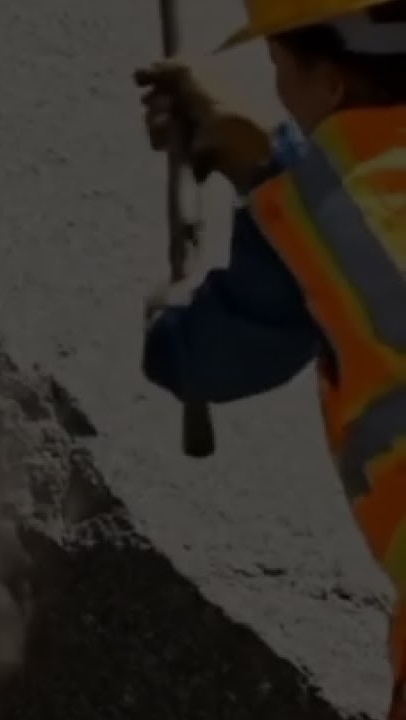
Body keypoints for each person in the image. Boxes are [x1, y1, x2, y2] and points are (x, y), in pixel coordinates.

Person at [135, 1, 406, 716]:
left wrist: (158, 300)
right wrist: (266, 164)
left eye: (279, 67)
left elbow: (198, 358)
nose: (278, 91)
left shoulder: (324, 206)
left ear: (332, 82)